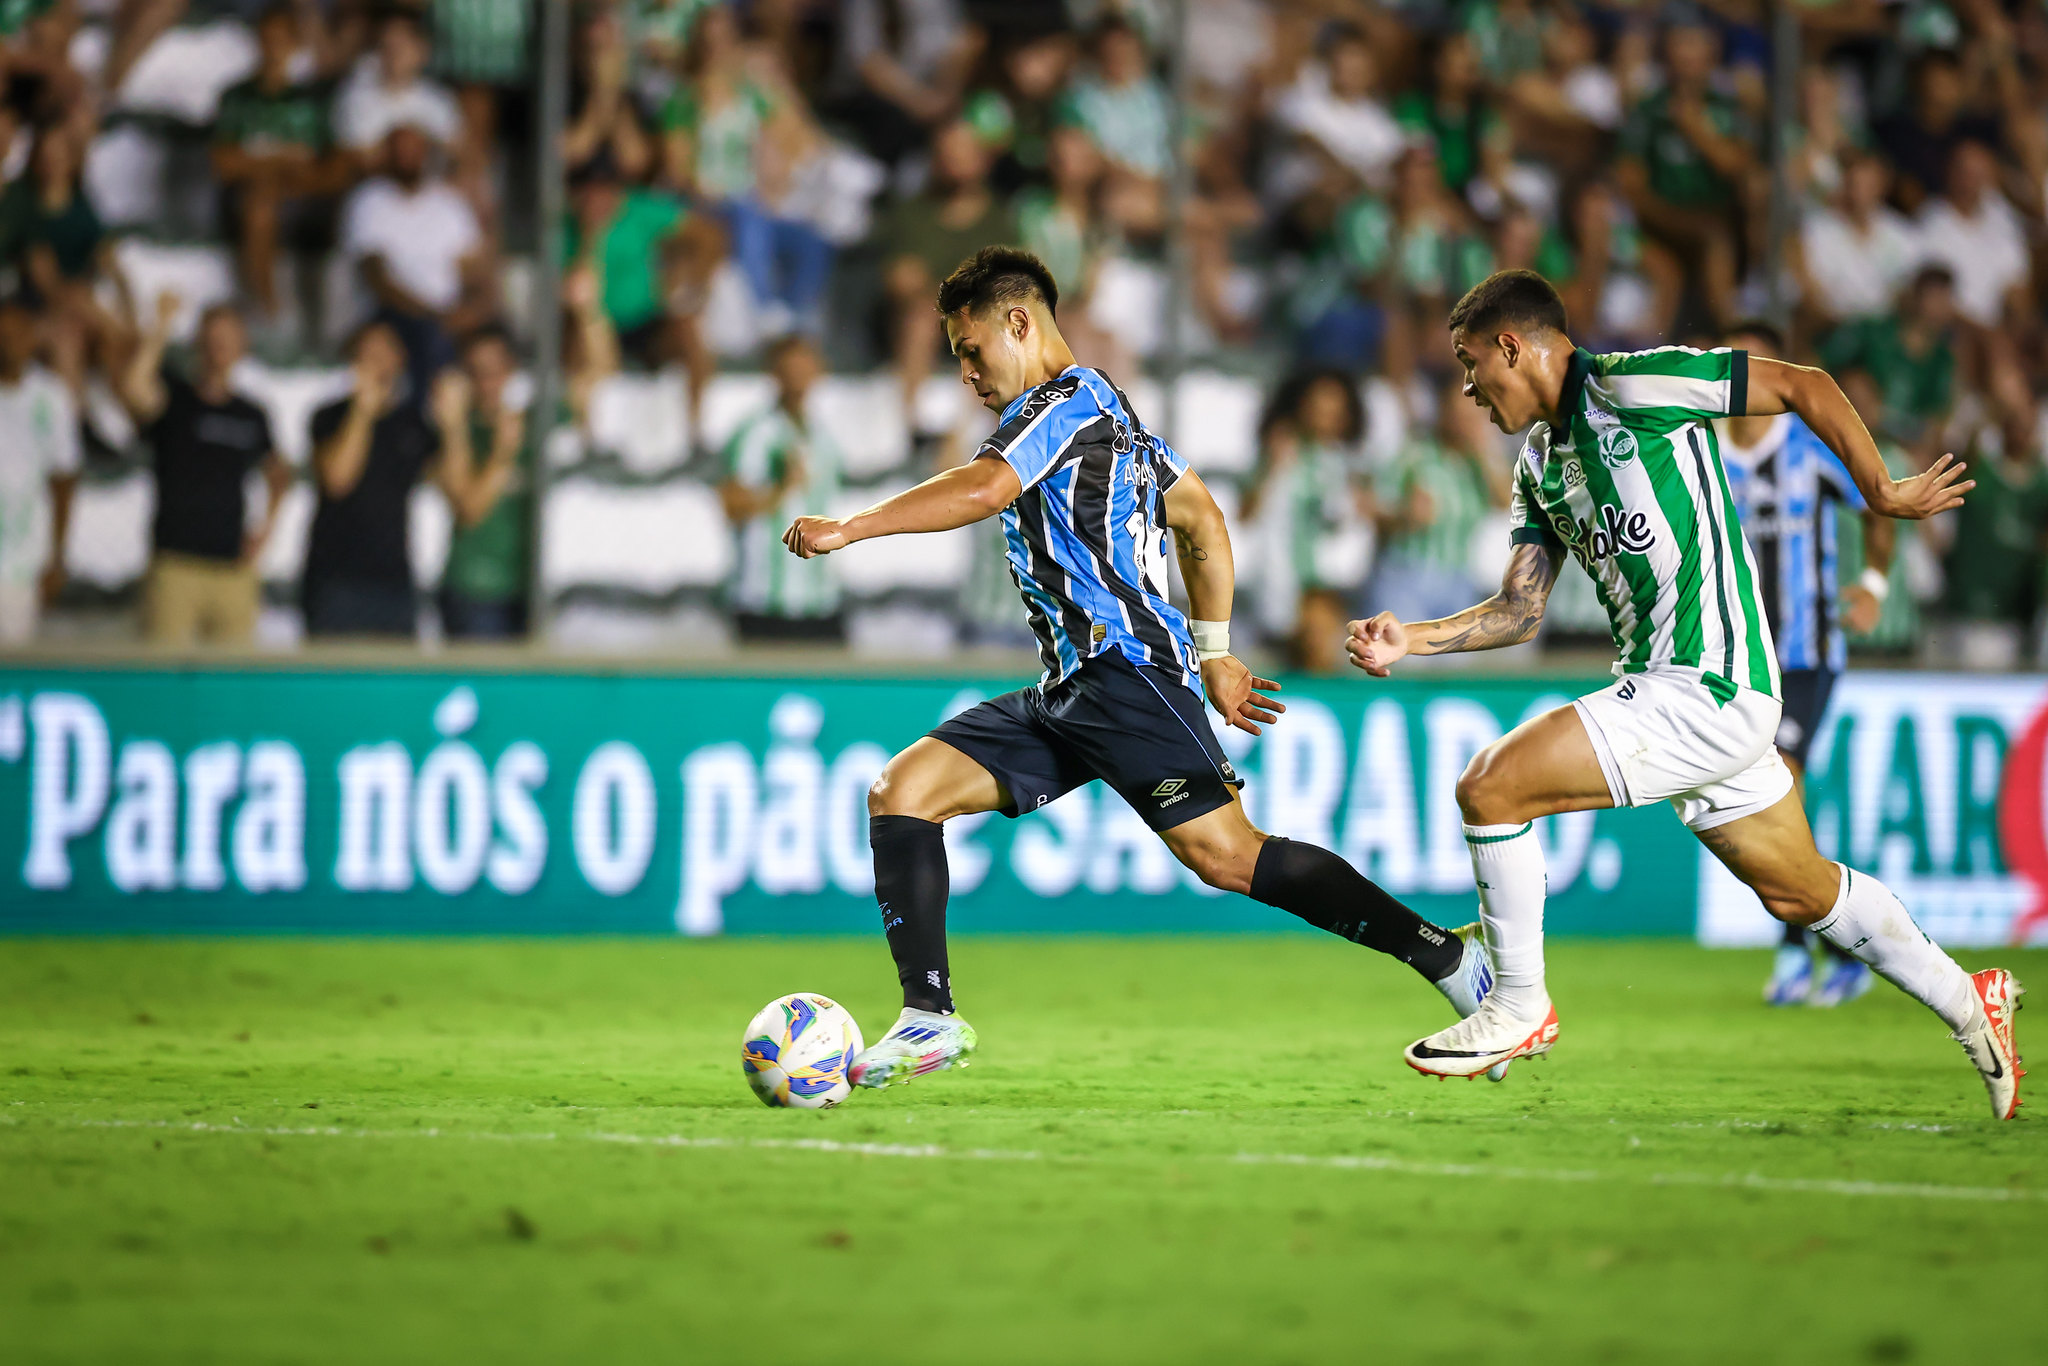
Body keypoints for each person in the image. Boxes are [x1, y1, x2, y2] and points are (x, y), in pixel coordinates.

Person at [782, 246, 1496, 1091]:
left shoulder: (1067, 401)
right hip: (1070, 689)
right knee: (902, 793)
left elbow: (984, 490)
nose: (966, 373)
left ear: (1020, 324)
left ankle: (1451, 961)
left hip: (1127, 673)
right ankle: (928, 1018)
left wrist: (851, 529)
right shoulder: (1113, 419)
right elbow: (1199, 518)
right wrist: (1219, 653)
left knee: (1228, 857)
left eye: (972, 351)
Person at [1347, 269, 2022, 1121]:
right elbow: (1520, 610)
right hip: (1681, 695)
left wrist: (1880, 489)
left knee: (1490, 785)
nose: (1469, 386)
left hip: (1710, 681)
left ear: (1510, 345)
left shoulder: (1633, 385)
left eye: (1470, 361)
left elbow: (1801, 384)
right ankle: (1973, 1001)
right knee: (1802, 893)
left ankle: (1517, 1004)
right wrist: (1416, 638)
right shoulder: (1538, 465)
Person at [1714, 320, 1894, 1008]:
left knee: (1779, 787)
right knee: (1756, 809)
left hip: (1808, 655)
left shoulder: (1811, 446)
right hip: (1736, 660)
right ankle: (1842, 948)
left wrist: (1874, 585)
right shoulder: (1698, 444)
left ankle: (1797, 950)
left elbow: (1880, 503)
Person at [119, 293, 290, 646]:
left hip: (232, 568)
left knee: (231, 686)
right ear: (199, 342)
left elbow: (278, 472)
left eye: (229, 338)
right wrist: (161, 326)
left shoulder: (252, 413)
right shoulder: (174, 398)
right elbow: (134, 388)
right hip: (175, 561)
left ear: (243, 347)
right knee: (163, 679)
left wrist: (266, 529)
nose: (219, 346)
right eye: (212, 337)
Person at [301, 320, 443, 638]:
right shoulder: (329, 415)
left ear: (400, 358)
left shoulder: (415, 425)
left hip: (395, 579)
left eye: (383, 350)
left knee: (395, 686)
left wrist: (452, 422)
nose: (375, 359)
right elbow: (337, 479)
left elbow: (450, 489)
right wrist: (362, 411)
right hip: (334, 579)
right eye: (366, 352)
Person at [211, 2, 349, 321]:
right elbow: (223, 163)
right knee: (260, 201)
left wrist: (271, 163)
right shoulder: (237, 97)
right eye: (266, 39)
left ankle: (328, 313)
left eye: (281, 40)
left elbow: (333, 162)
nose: (273, 49)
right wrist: (282, 160)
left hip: (304, 191)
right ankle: (267, 307)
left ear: (294, 44)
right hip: (252, 194)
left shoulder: (311, 101)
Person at [340, 122, 489, 402]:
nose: (407, 156)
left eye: (415, 148)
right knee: (428, 336)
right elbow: (377, 278)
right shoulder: (369, 200)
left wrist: (469, 309)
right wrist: (434, 314)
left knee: (491, 342)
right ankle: (424, 422)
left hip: (447, 311)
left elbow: (473, 272)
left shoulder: (449, 203)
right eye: (400, 149)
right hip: (392, 310)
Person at [720, 333, 842, 642]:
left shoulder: (824, 436)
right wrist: (781, 489)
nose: (798, 378)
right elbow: (731, 506)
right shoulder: (755, 433)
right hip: (764, 600)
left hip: (819, 599)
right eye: (790, 369)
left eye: (804, 367)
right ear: (774, 374)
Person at [434, 325, 531, 640]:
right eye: (477, 371)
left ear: (511, 371)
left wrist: (587, 314)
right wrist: (501, 456)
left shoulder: (530, 420)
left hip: (530, 588)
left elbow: (597, 376)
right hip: (474, 590)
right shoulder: (455, 431)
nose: (487, 381)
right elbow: (468, 508)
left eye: (496, 370)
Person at [0, 295, 77, 645]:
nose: (7, 342)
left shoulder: (51, 397)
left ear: (33, 338)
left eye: (15, 333)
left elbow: (63, 480)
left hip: (20, 566)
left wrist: (57, 557)